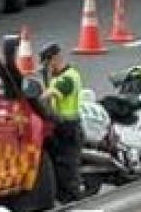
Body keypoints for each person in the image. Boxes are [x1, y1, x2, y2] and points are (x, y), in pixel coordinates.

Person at [40, 43, 83, 203]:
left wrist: (34, 99)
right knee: (61, 169)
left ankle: (75, 203)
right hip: (61, 127)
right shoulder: (59, 76)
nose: (45, 66)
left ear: (54, 59)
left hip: (68, 128)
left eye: (46, 62)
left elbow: (49, 95)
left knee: (68, 172)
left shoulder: (67, 79)